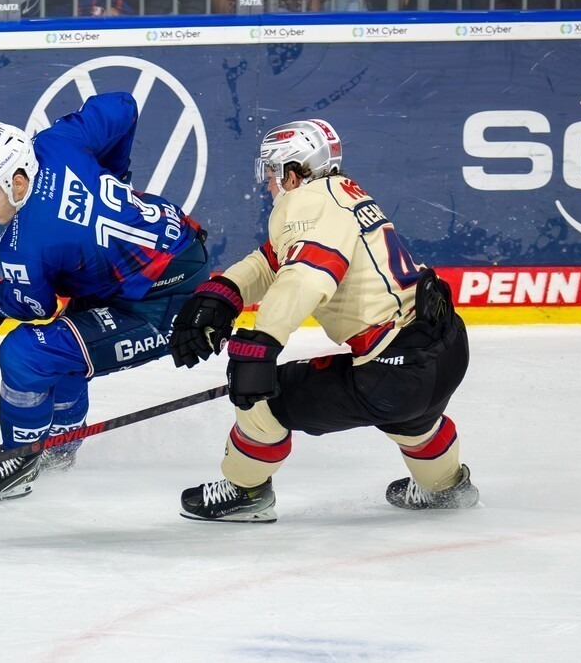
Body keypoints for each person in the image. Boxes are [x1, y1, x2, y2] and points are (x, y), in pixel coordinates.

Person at [169, 119, 478, 522]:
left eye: (272, 174)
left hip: (393, 373)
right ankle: (446, 489)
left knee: (265, 399)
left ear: (292, 173)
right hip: (442, 347)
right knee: (414, 418)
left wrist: (260, 345)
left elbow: (307, 275)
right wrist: (224, 292)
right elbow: (273, 261)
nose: (268, 185)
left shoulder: (305, 203)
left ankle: (246, 493)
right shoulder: (341, 193)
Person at [0, 92, 210, 504]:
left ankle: (23, 456)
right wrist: (114, 173)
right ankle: (60, 448)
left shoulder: (25, 243)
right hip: (174, 250)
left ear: (18, 181)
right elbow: (122, 105)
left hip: (167, 303)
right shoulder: (55, 143)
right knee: (62, 348)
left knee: (26, 354)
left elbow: (31, 306)